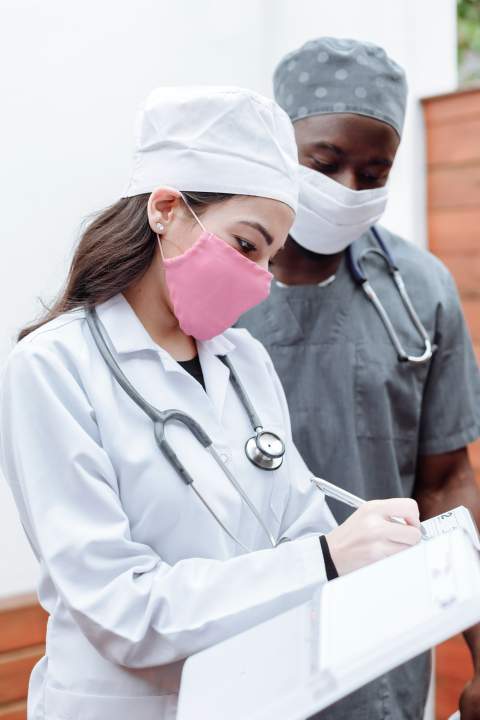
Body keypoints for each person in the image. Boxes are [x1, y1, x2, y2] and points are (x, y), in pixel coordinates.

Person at [0, 86, 422, 720]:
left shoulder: (244, 361)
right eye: (247, 246)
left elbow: (300, 526)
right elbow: (122, 609)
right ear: (166, 208)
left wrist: (376, 556)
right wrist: (325, 559)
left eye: (271, 260)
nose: (258, 277)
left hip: (252, 697)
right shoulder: (54, 368)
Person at [238, 38, 480, 720]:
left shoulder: (419, 290)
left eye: (374, 172)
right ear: (278, 147)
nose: (348, 189)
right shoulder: (214, 291)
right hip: (237, 629)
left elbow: (444, 480)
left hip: (383, 640)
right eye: (324, 162)